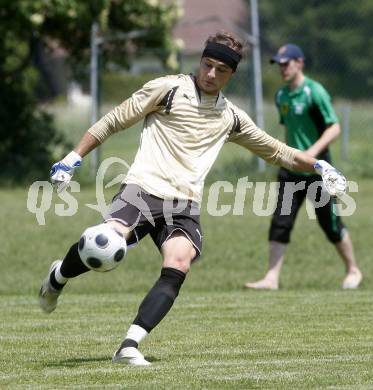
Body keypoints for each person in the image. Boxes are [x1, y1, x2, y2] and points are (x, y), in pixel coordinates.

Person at [39, 33, 346, 366]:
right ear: (200, 61)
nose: (211, 74)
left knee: (179, 263)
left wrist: (319, 164)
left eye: (220, 70)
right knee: (103, 243)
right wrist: (73, 158)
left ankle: (128, 346)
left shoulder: (232, 117)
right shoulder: (167, 89)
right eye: (207, 64)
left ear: (231, 74)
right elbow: (114, 120)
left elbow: (277, 150)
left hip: (183, 203)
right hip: (141, 189)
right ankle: (58, 278)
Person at [244, 43, 362, 291]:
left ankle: (353, 270)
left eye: (286, 64)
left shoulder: (314, 92)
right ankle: (271, 279)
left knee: (329, 222)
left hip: (317, 170)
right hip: (290, 169)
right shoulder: (281, 96)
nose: (282, 69)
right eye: (279, 64)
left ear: (300, 63)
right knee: (281, 221)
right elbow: (291, 129)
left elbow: (334, 127)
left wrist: (312, 154)